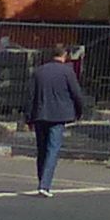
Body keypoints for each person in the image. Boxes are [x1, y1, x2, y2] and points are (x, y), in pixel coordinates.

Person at [28, 46, 86, 195]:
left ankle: (42, 180)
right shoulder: (67, 71)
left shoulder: (39, 71)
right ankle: (45, 184)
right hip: (59, 115)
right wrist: (79, 112)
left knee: (42, 150)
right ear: (65, 55)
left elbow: (30, 96)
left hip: (40, 114)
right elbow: (76, 93)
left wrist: (29, 117)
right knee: (52, 150)